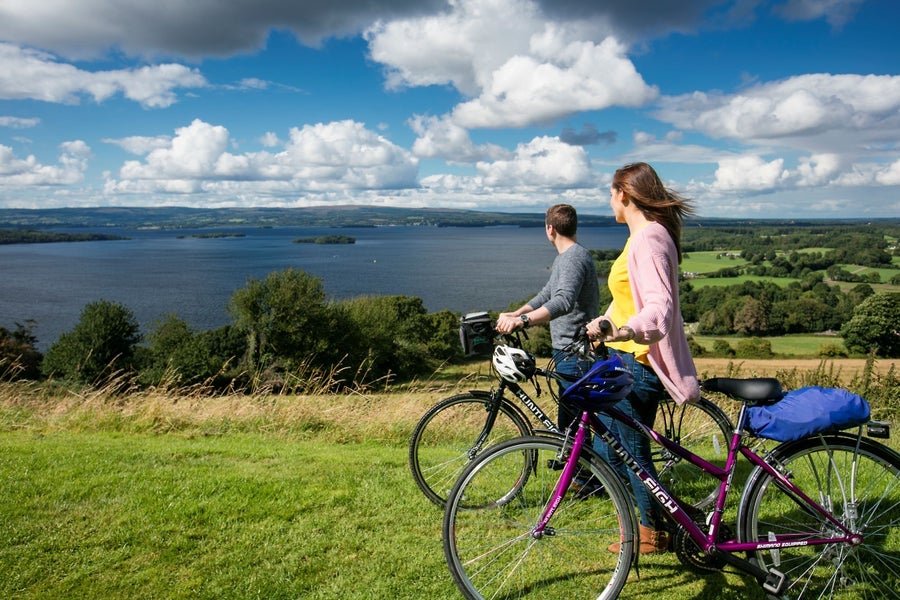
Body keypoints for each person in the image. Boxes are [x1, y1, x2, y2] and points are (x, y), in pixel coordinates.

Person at [585, 162, 700, 554]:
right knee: (608, 449)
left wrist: (624, 332)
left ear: (625, 194)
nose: (609, 200)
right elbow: (627, 301)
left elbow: (658, 309)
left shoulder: (649, 238)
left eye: (610, 192)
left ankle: (650, 531)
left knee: (629, 453)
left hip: (638, 362)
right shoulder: (641, 236)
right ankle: (646, 523)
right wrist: (603, 323)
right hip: (622, 358)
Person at [495, 203, 600, 432]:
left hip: (575, 351)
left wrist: (522, 322)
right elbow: (547, 293)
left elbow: (563, 301)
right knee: (570, 419)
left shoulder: (572, 258)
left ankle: (580, 467)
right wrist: (517, 312)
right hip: (567, 350)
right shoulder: (567, 257)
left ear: (550, 229)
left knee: (573, 422)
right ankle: (574, 465)